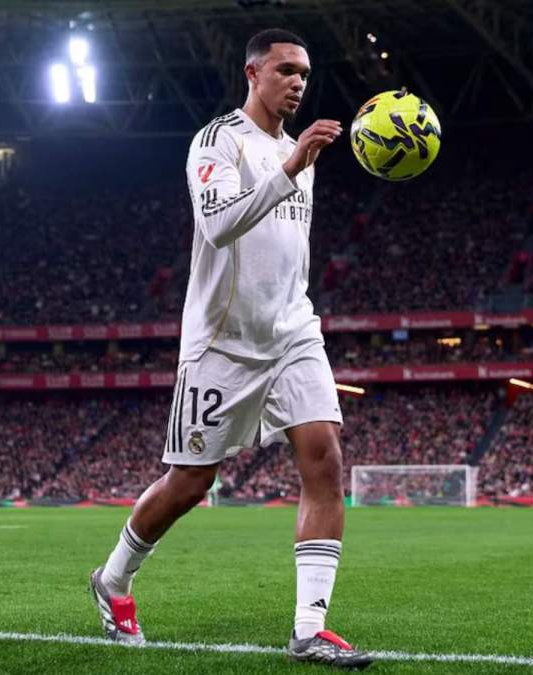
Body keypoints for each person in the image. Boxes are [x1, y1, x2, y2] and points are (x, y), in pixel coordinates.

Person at [88, 27, 371, 669]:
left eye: (304, 72)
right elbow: (216, 227)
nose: (299, 81)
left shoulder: (298, 150)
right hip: (221, 342)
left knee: (324, 456)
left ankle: (309, 628)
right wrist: (291, 166)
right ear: (253, 73)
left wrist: (296, 161)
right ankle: (112, 579)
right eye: (286, 70)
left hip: (293, 329)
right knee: (190, 481)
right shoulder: (218, 141)